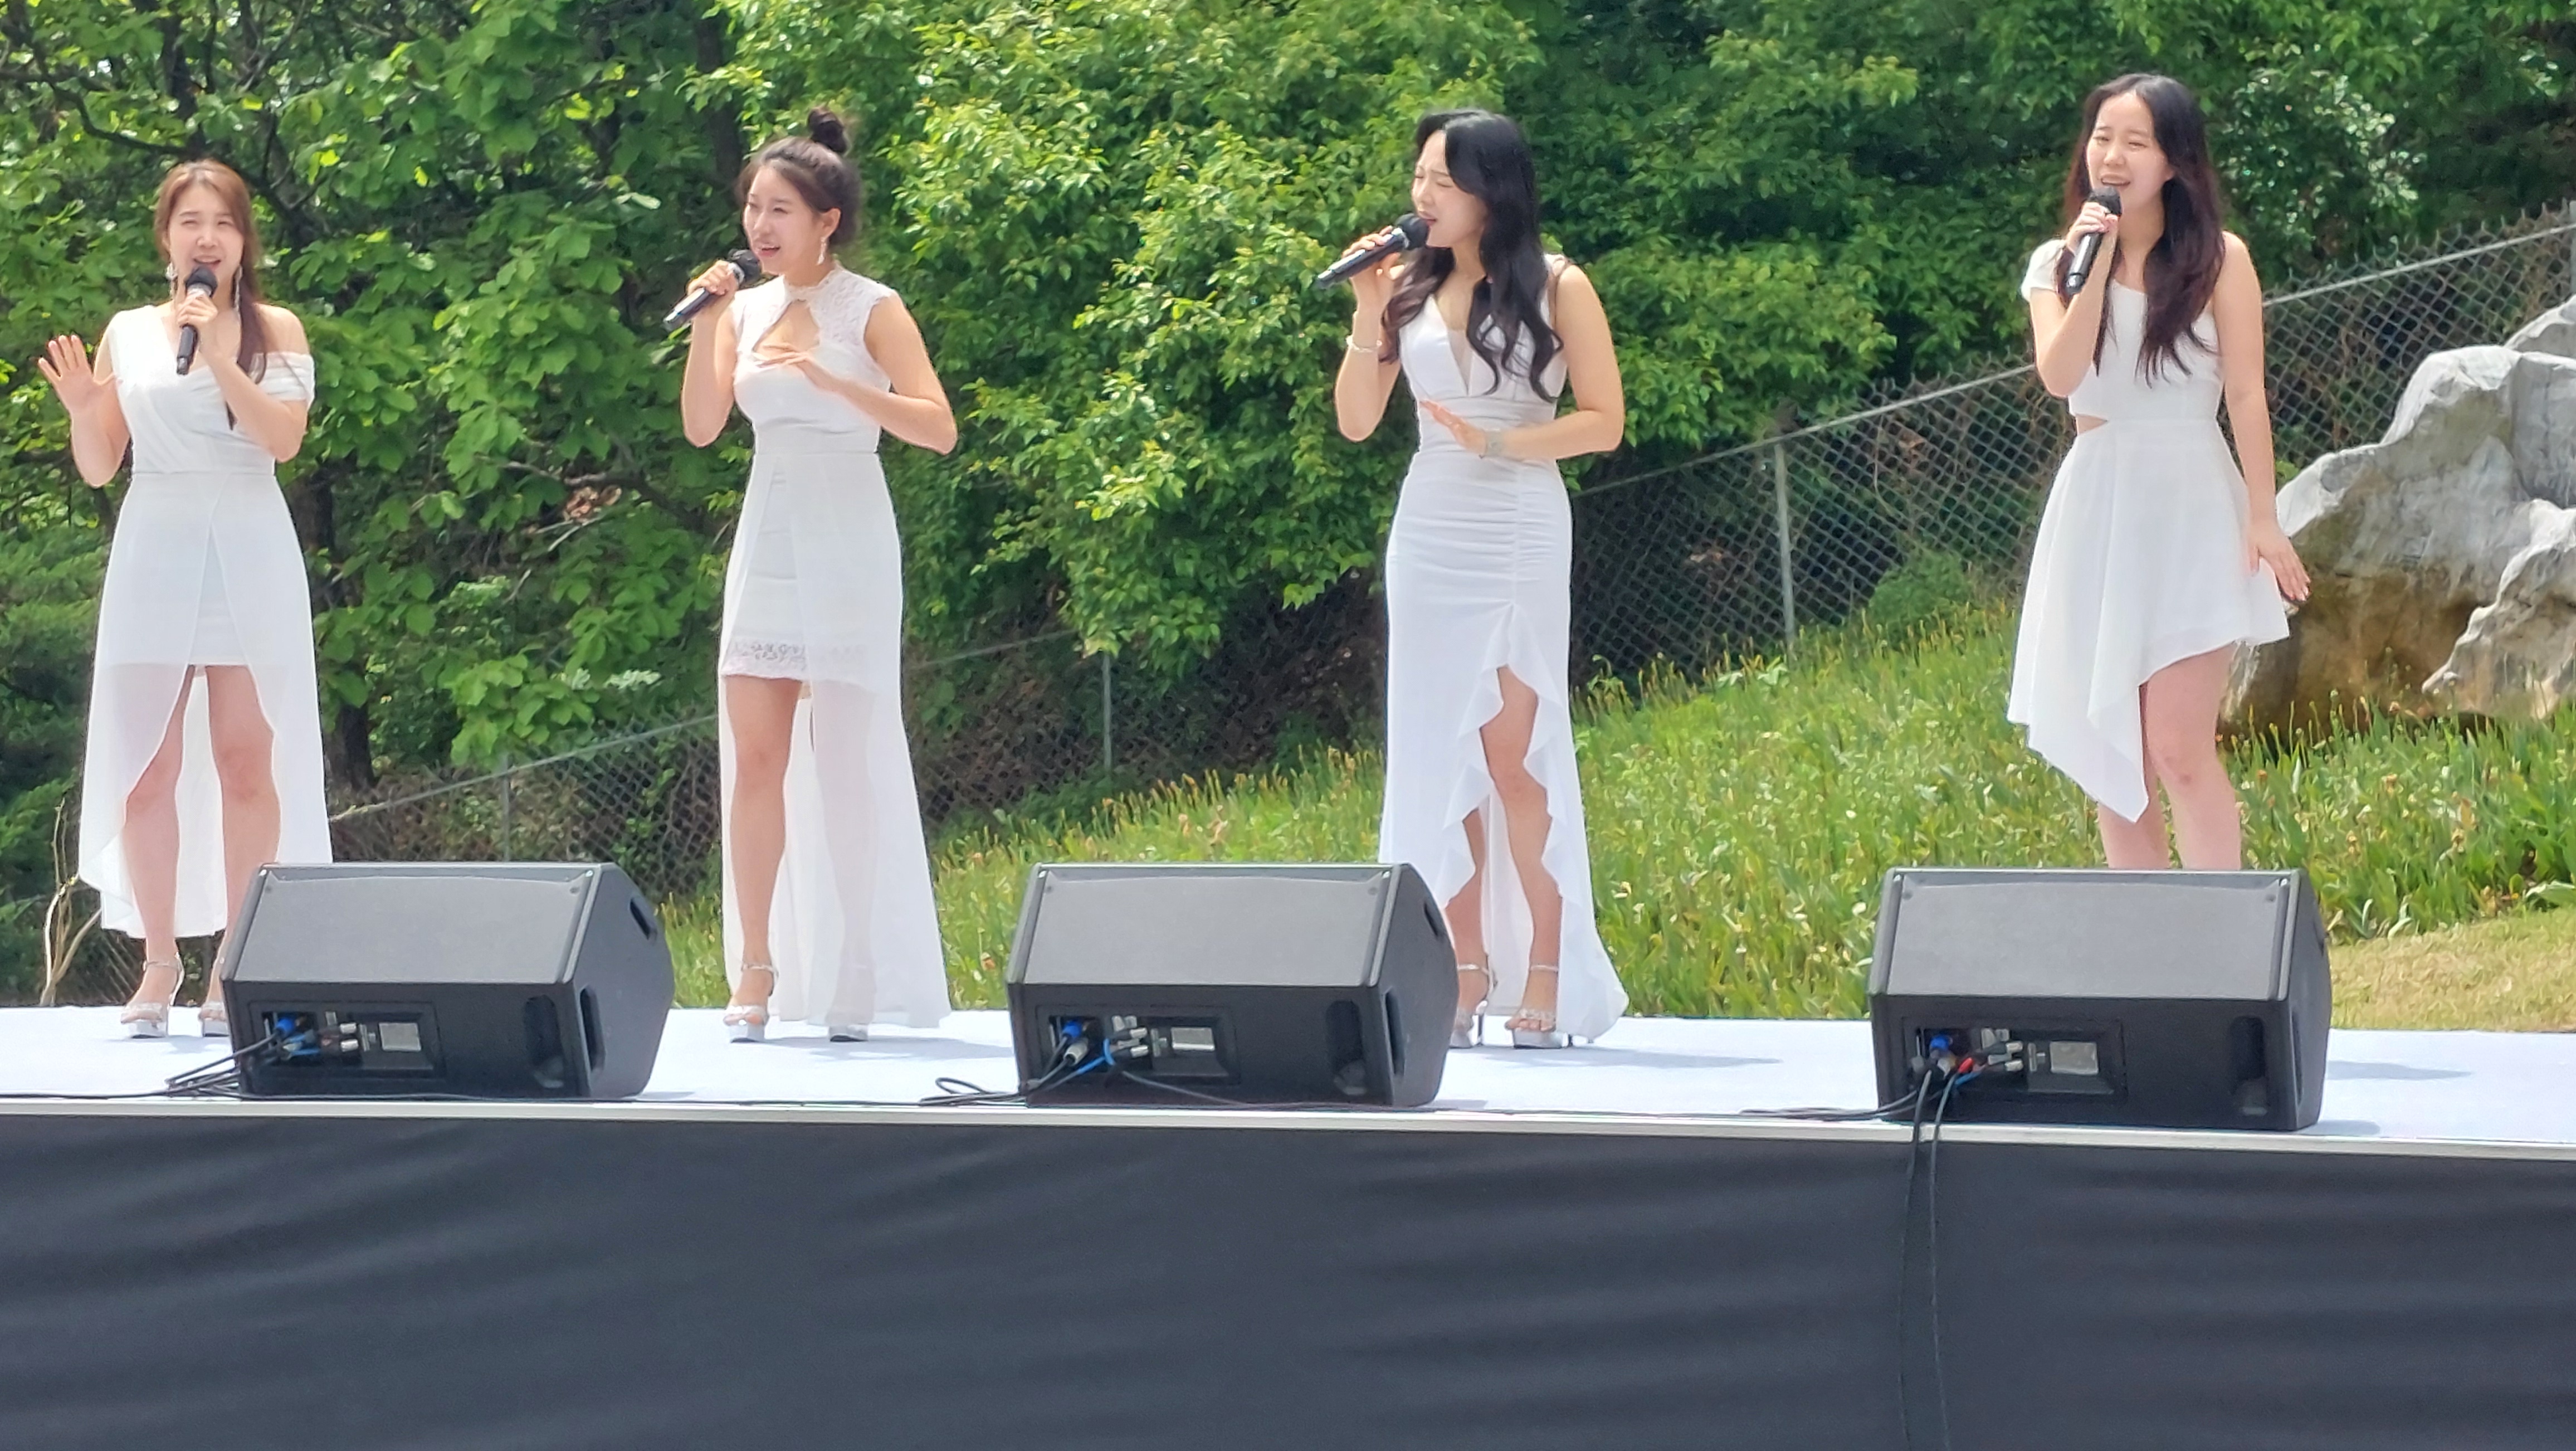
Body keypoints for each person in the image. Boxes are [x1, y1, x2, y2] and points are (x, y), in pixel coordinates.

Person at [1329, 109, 1630, 1049]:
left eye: (1443, 182)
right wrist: (1366, 311)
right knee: (1437, 747)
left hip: (1516, 520)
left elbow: (1605, 421)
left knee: (1512, 751)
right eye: (1419, 178)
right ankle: (1461, 968)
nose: (1423, 197)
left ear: (1492, 191)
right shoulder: (1405, 287)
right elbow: (1356, 421)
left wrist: (1501, 443)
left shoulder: (1559, 284)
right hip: (1431, 524)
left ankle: (1548, 965)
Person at [674, 106, 954, 1042]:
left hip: (849, 529)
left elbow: (937, 428)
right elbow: (703, 427)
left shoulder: (872, 307)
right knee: (756, 757)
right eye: (753, 207)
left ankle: (857, 962)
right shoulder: (742, 309)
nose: (761, 225)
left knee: (845, 761)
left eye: (780, 210)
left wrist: (838, 381)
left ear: (826, 221)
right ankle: (756, 966)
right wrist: (704, 322)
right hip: (772, 527)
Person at [37, 159, 330, 1037]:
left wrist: (223, 357)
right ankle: (158, 960)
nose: (207, 239)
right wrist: (83, 408)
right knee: (147, 765)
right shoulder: (129, 333)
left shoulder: (276, 329)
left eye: (224, 224)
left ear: (244, 242)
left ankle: (233, 963)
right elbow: (102, 466)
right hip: (156, 545)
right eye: (191, 223)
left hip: (247, 540)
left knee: (245, 760)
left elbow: (283, 441)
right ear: (165, 237)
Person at [2013, 73, 2312, 869]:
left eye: (2136, 142)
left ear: (2175, 161)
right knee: (2116, 764)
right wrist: (2092, 261)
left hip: (2191, 504)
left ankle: (2225, 930)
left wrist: (2263, 516)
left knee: (2178, 746)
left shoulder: (2220, 259)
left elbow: (2245, 393)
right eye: (2102, 138)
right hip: (2097, 508)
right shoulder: (2056, 264)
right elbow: (2062, 376)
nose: (2113, 156)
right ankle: (2146, 939)